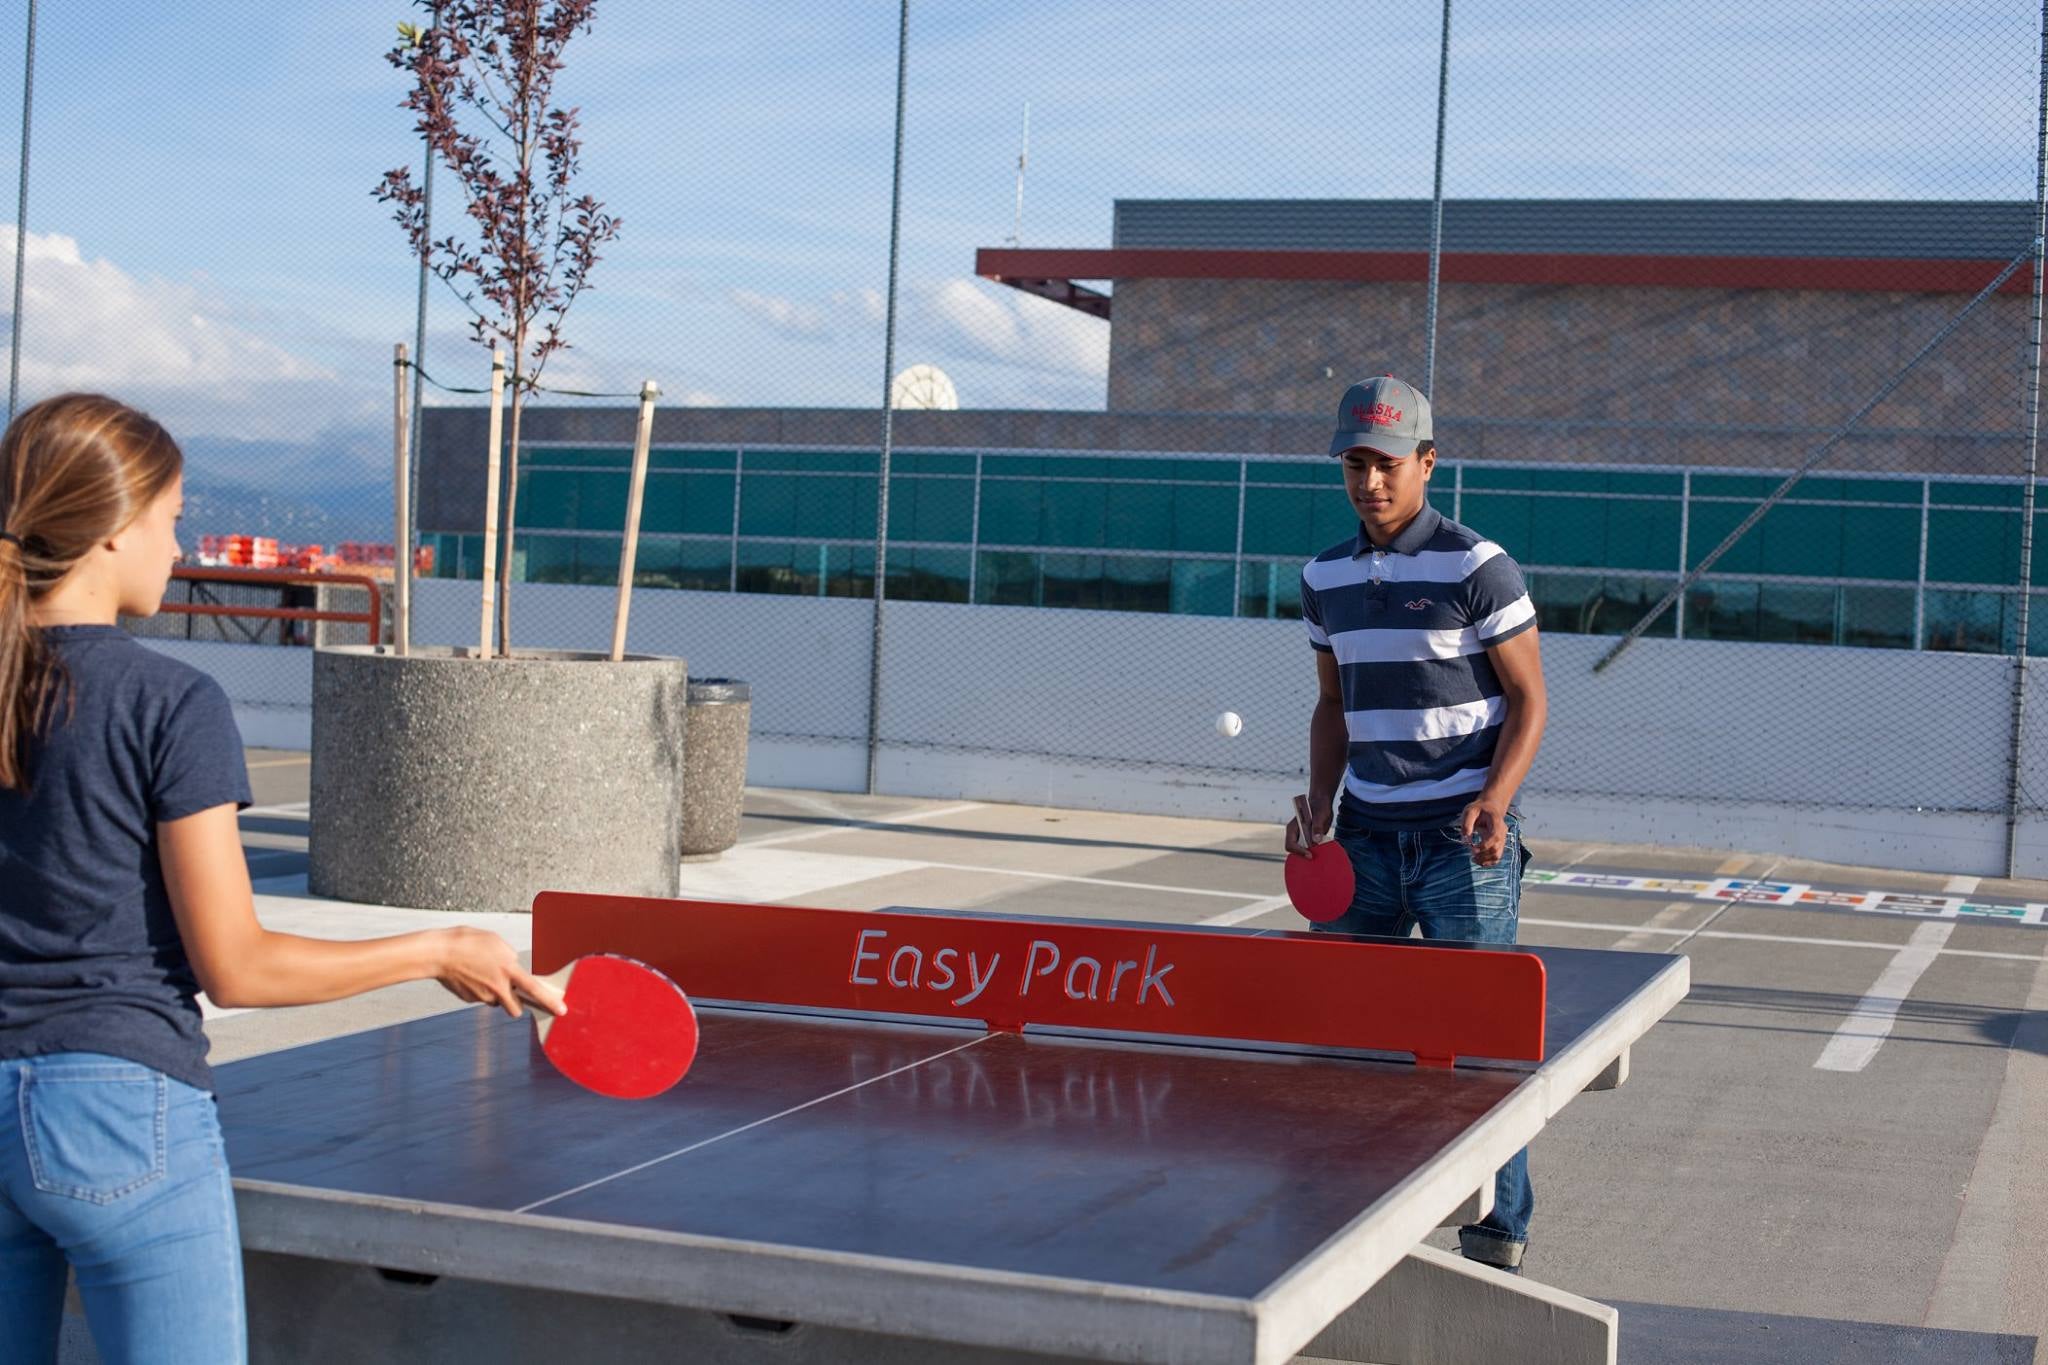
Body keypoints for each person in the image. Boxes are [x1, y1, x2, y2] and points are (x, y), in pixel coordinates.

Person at [0, 393, 565, 1364]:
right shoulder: (169, 702)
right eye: (172, 521)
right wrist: (438, 949)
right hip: (118, 1108)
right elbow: (240, 967)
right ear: (113, 532)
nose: (177, 547)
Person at [1283, 374, 1548, 1274]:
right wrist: (1319, 803)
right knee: (1339, 1033)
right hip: (1359, 839)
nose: (1370, 482)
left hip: (1460, 847)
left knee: (1478, 1048)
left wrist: (1497, 802)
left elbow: (1529, 700)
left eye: (1387, 463)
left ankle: (1499, 1227)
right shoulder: (1323, 577)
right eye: (1354, 464)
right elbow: (1331, 705)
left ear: (1427, 462)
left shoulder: (1480, 567)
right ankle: (1344, 1202)